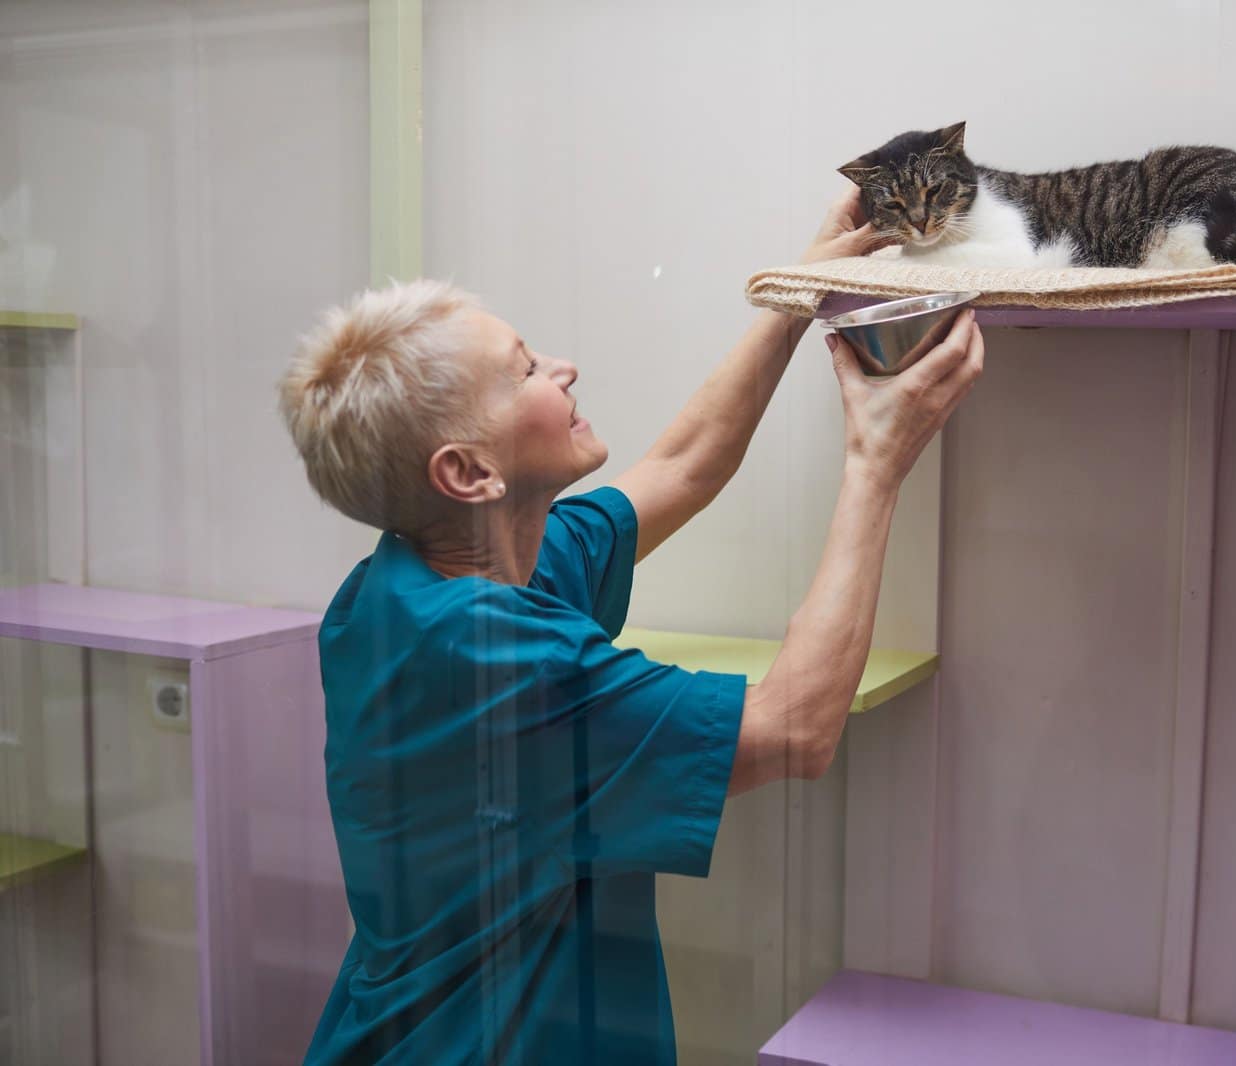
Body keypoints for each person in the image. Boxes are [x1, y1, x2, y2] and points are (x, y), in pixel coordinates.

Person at [276, 187, 984, 1065]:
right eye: (525, 370)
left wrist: (798, 294)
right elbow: (793, 729)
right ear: (468, 471)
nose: (563, 369)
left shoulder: (435, 573)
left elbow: (682, 467)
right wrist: (878, 460)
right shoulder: (484, 652)